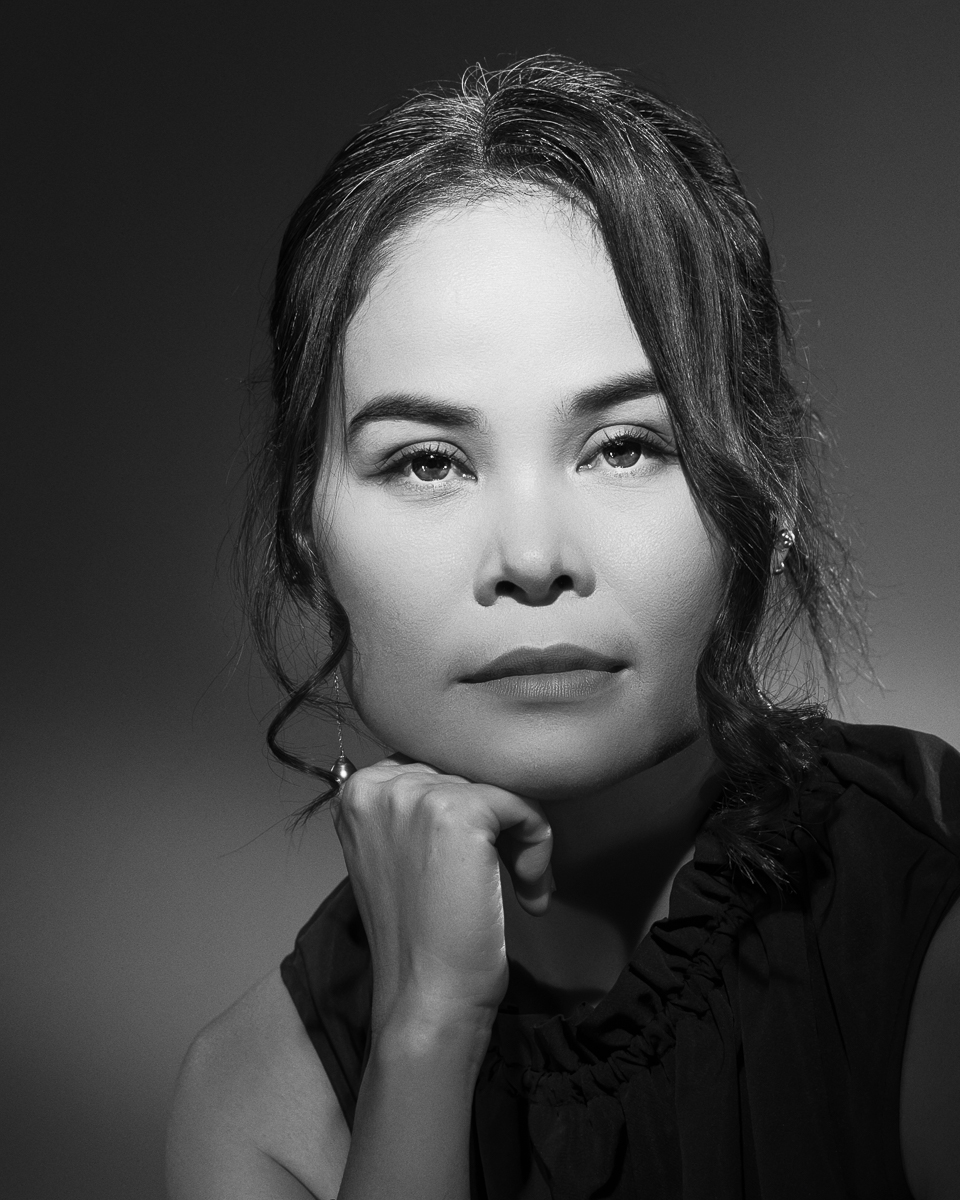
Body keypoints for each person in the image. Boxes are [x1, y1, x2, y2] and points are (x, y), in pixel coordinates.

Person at [165, 57, 960, 1200]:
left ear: (767, 491)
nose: (533, 559)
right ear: (306, 530)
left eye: (625, 446)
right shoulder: (255, 1099)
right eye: (428, 461)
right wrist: (424, 1037)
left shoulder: (925, 930)